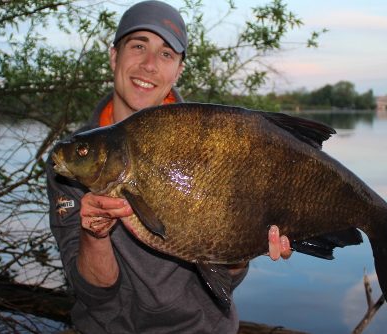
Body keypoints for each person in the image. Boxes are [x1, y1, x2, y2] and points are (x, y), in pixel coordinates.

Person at [46, 1, 291, 333]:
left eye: (165, 54)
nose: (149, 65)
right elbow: (94, 294)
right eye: (138, 46)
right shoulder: (77, 159)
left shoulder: (214, 143)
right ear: (114, 56)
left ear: (178, 70)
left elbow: (225, 280)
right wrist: (95, 235)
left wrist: (243, 246)